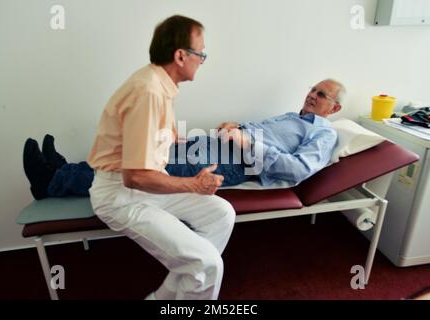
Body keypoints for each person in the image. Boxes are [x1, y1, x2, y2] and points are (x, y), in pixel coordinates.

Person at [37, 15, 236, 301]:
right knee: (207, 263)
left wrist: (169, 136)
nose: (202, 60)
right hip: (123, 197)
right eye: (200, 54)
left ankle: (165, 298)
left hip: (148, 187)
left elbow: (145, 138)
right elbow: (135, 176)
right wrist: (194, 184)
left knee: (221, 214)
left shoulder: (159, 82)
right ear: (181, 55)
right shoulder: (149, 91)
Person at [23, 78, 346, 198]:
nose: (313, 95)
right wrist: (238, 126)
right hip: (212, 144)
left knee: (142, 173)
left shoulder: (322, 132)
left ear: (335, 107)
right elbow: (261, 133)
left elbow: (297, 170)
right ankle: (66, 168)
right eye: (313, 89)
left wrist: (247, 142)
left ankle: (51, 181)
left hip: (230, 162)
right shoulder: (291, 117)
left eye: (323, 94)